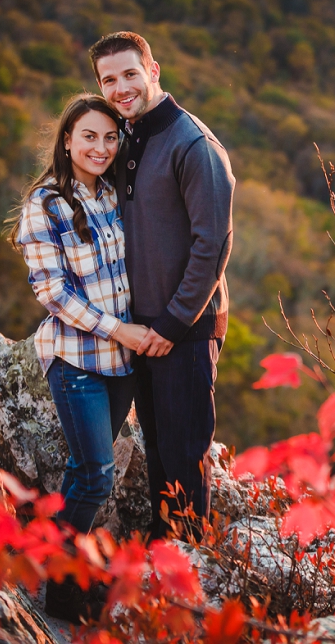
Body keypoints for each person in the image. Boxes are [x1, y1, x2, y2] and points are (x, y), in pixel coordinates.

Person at [89, 32, 235, 540]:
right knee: (157, 451)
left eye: (131, 73)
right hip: (141, 330)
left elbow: (212, 245)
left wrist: (174, 323)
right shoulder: (125, 139)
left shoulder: (193, 144)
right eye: (109, 80)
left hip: (185, 330)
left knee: (183, 455)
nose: (121, 87)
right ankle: (159, 559)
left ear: (154, 70)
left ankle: (190, 569)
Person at [8, 94, 149, 621]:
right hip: (77, 360)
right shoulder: (44, 205)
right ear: (67, 139)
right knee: (95, 475)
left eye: (111, 137)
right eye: (89, 136)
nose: (101, 147)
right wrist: (122, 330)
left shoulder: (114, 194)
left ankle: (51, 557)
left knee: (82, 470)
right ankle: (61, 590)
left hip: (123, 365)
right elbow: (54, 293)